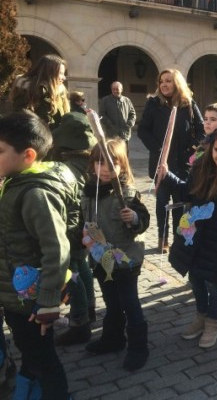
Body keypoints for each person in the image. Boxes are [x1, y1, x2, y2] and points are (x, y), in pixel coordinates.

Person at [0, 111, 79, 399]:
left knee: (43, 358)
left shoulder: (35, 194)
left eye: (0, 151)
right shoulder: (15, 180)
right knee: (31, 350)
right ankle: (30, 384)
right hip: (17, 293)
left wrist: (47, 303)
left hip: (33, 301)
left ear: (28, 155)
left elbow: (56, 250)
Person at [165, 124, 217, 348]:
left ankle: (213, 322)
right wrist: (169, 177)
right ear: (211, 148)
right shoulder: (201, 167)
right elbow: (188, 192)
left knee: (215, 284)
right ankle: (201, 315)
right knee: (195, 279)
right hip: (195, 238)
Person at [83, 138, 151, 371]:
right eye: (99, 163)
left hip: (126, 259)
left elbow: (143, 221)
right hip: (102, 259)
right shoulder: (89, 192)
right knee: (111, 302)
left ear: (122, 165)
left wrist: (134, 218)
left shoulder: (128, 194)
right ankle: (113, 339)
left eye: (112, 164)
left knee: (130, 303)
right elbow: (85, 222)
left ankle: (138, 347)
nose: (104, 169)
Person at [138, 69, 204, 253]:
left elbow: (200, 130)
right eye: (161, 81)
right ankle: (162, 238)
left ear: (177, 83)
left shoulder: (188, 104)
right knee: (161, 203)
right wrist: (158, 148)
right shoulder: (153, 103)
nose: (164, 85)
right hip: (161, 163)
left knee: (178, 204)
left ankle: (178, 237)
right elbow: (143, 130)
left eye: (168, 81)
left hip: (182, 164)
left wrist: (191, 147)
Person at [51, 110, 98, 346]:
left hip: (72, 228)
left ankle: (80, 322)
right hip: (85, 228)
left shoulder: (66, 168)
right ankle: (89, 308)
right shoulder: (89, 161)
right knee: (83, 266)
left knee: (74, 273)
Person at [9, 54, 70, 129]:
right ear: (49, 73)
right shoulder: (27, 93)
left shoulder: (60, 92)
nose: (64, 77)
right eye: (61, 73)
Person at [99, 81, 137, 146]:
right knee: (113, 154)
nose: (115, 91)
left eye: (117, 89)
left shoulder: (127, 100)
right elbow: (102, 115)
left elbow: (132, 114)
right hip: (111, 135)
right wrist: (110, 125)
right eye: (113, 89)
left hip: (124, 134)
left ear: (121, 89)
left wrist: (129, 124)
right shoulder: (105, 100)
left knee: (124, 154)